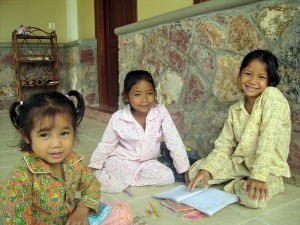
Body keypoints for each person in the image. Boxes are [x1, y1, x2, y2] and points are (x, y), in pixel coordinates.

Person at [0, 90, 133, 225]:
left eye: (64, 133)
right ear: (26, 136)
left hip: (70, 217)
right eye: (44, 135)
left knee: (122, 211)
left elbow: (92, 185)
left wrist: (82, 210)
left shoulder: (73, 161)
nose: (56, 144)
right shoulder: (20, 178)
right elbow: (14, 220)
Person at [187, 49, 291, 208]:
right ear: (240, 74)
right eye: (248, 73)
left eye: (261, 77)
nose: (252, 81)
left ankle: (238, 185)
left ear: (270, 81)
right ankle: (241, 181)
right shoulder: (235, 109)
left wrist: (258, 176)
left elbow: (268, 139)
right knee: (195, 173)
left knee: (254, 199)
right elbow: (224, 145)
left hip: (268, 169)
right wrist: (207, 169)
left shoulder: (272, 96)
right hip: (241, 165)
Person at [89, 70, 190, 193]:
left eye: (149, 93)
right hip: (122, 160)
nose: (144, 100)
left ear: (155, 94)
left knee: (167, 176)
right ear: (127, 97)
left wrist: (184, 169)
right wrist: (94, 166)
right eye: (137, 94)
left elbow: (174, 140)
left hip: (147, 162)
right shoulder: (118, 118)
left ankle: (129, 179)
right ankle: (106, 173)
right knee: (113, 186)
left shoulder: (160, 112)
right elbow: (106, 144)